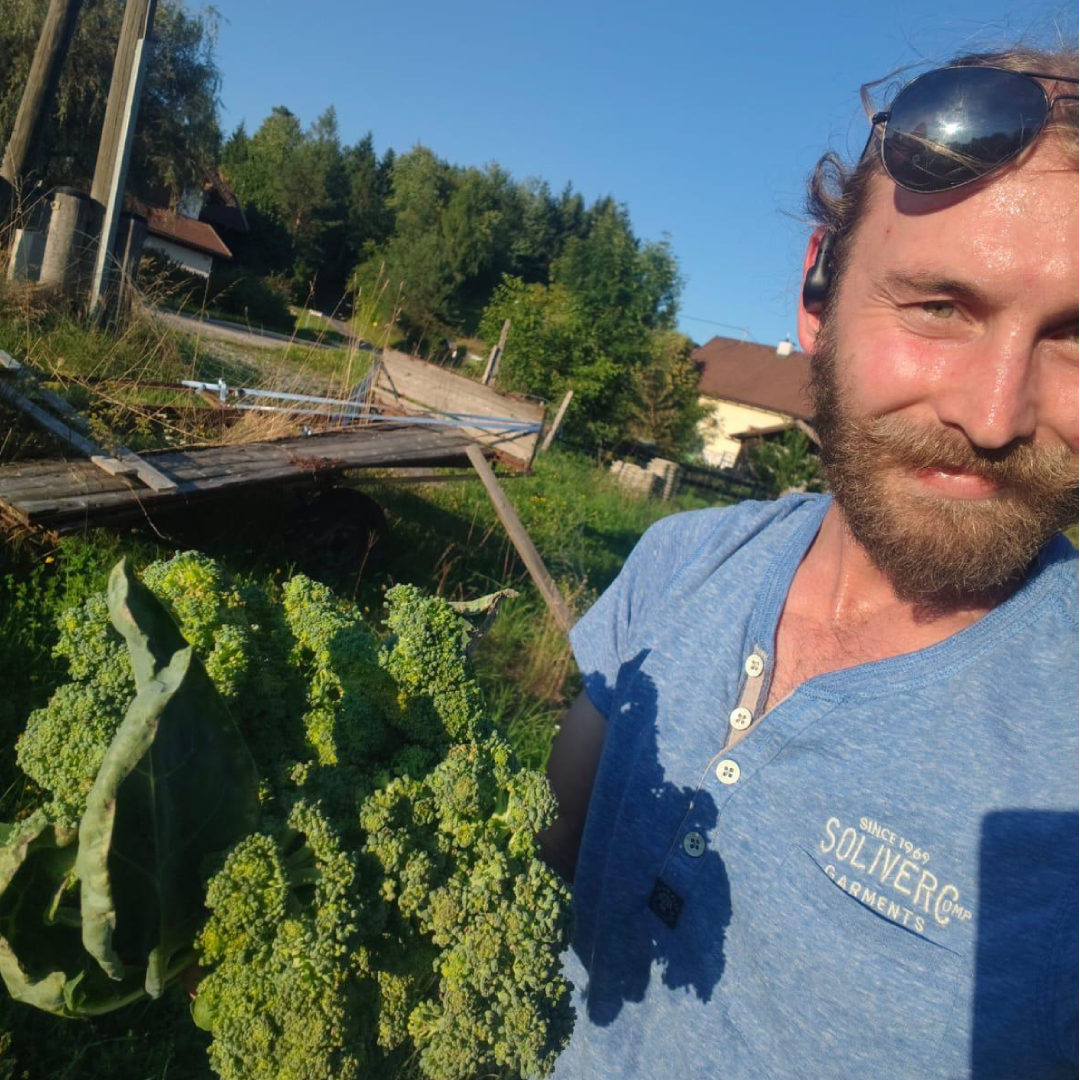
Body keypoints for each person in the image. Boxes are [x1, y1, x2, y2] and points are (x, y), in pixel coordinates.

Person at [541, 46, 1079, 1080]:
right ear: (818, 300)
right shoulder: (675, 565)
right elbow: (551, 856)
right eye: (938, 308)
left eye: (1077, 337)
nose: (994, 412)